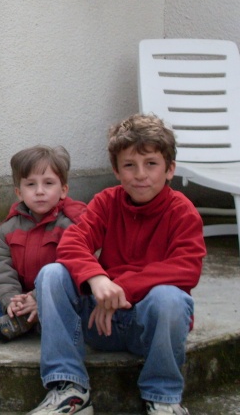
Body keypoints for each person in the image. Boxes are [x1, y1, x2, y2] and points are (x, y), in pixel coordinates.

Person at [28, 114, 206, 415]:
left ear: (169, 169)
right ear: (116, 170)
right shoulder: (106, 202)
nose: (140, 174)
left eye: (151, 163)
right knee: (51, 274)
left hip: (147, 326)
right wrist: (97, 279)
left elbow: (186, 267)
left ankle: (162, 398)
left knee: (171, 297)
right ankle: (69, 390)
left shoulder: (183, 212)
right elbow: (72, 243)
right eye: (129, 165)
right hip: (100, 324)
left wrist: (117, 287)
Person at [0, 145, 86, 342]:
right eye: (31, 185)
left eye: (48, 183)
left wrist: (38, 298)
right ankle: (28, 320)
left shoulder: (69, 225)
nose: (39, 191)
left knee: (83, 306)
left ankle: (26, 322)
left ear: (63, 190)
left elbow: (71, 269)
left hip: (58, 298)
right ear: (19, 193)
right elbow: (3, 270)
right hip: (22, 297)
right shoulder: (10, 227)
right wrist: (11, 302)